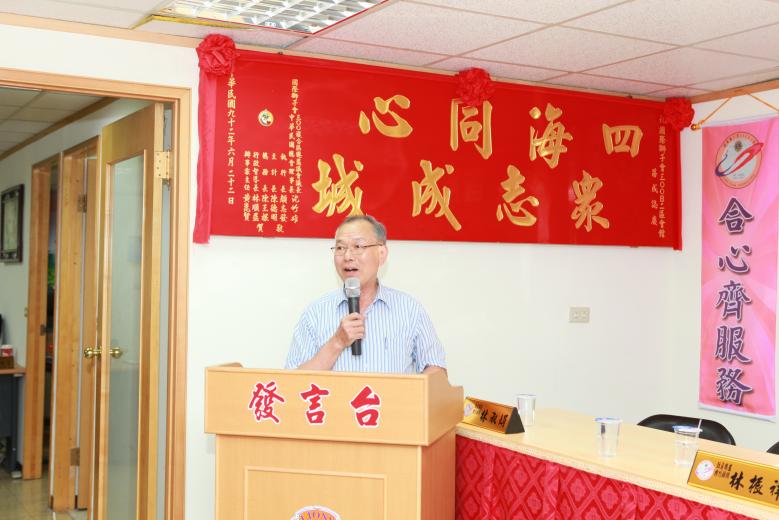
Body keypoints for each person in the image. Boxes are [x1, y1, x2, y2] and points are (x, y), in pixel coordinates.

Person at [285, 215, 446, 374]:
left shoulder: (409, 309)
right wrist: (337, 342)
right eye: (340, 248)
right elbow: (291, 382)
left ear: (381, 253)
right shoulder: (315, 313)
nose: (348, 256)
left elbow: (436, 369)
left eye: (358, 246)